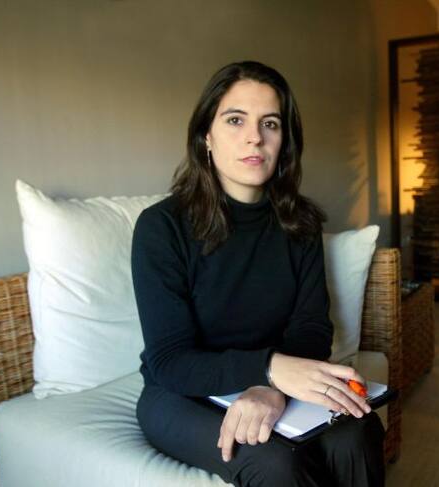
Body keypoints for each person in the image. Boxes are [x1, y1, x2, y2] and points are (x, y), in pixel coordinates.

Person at [131, 60, 385, 487]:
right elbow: (170, 360)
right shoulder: (161, 226)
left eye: (270, 123)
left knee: (357, 432)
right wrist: (269, 370)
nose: (255, 137)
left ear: (284, 141)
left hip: (273, 378)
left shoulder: (300, 223)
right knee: (275, 462)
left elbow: (311, 327)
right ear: (206, 135)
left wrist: (271, 386)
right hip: (181, 392)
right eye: (235, 120)